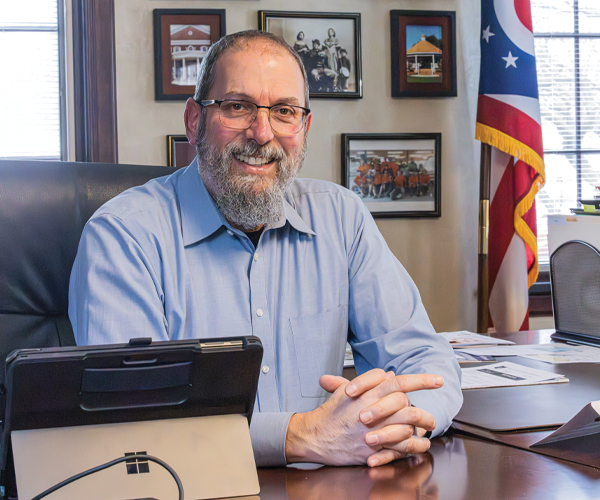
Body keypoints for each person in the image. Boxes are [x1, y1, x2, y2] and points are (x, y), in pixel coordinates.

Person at [69, 30, 462, 469]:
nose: (262, 133)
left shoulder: (341, 218)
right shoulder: (123, 235)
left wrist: (400, 423)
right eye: (237, 107)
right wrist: (300, 436)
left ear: (304, 126)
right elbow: (137, 415)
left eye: (284, 111)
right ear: (194, 120)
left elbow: (425, 362)